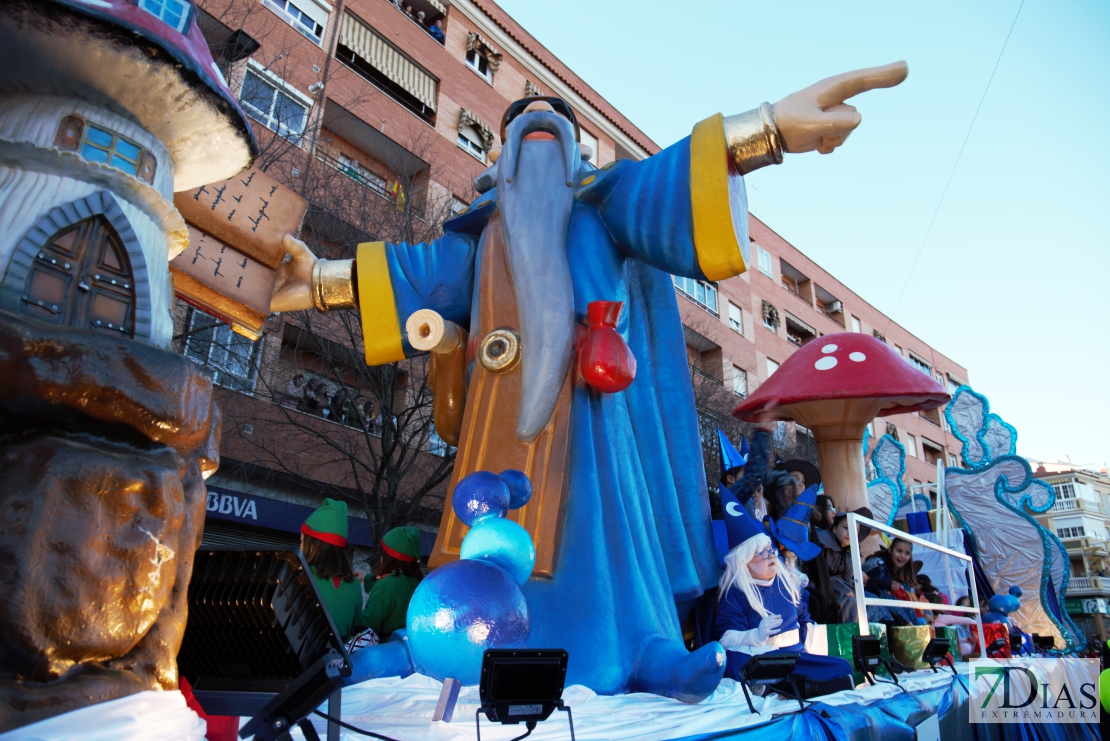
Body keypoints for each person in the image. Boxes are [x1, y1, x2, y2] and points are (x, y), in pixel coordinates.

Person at [270, 64, 912, 698]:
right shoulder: (479, 236)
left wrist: (765, 129)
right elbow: (410, 277)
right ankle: (435, 646)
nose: (536, 129)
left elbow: (673, 184)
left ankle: (643, 648)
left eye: (555, 125)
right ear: (503, 157)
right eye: (519, 124)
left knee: (608, 534)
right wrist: (321, 281)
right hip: (497, 417)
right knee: (479, 532)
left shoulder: (606, 204)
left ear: (578, 154)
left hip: (591, 411)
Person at [715, 485, 852, 696]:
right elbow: (726, 639)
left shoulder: (786, 583)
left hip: (794, 658)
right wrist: (755, 635)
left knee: (842, 667)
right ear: (744, 562)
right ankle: (786, 686)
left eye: (770, 550)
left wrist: (811, 641)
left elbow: (804, 618)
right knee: (737, 661)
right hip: (762, 658)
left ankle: (796, 685)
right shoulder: (735, 594)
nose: (771, 556)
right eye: (761, 553)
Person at [300, 498, 363, 639]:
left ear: (312, 545)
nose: (300, 547)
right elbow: (355, 628)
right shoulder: (353, 585)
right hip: (340, 659)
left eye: (302, 541)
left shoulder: (300, 577)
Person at [360, 527, 423, 642]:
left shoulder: (386, 584)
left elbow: (368, 622)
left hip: (386, 648)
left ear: (389, 558)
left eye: (382, 554)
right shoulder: (417, 583)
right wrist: (366, 577)